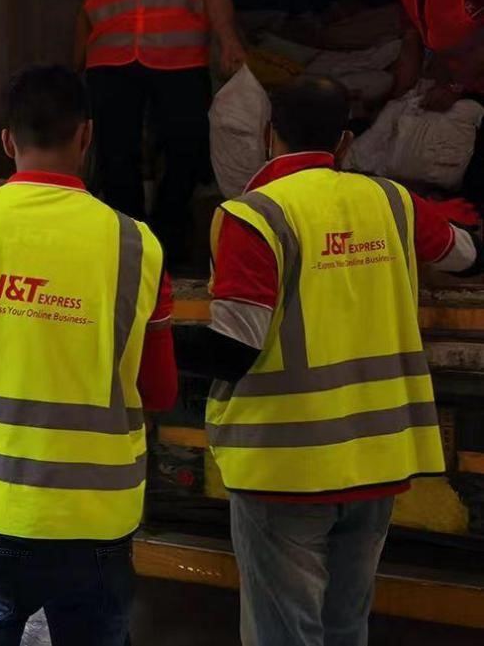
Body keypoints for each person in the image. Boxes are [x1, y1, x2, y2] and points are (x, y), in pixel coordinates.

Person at [200, 76, 482, 646]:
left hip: (285, 466)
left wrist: (139, 341)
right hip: (377, 461)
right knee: (345, 626)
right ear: (345, 142)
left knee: (285, 633)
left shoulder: (255, 216)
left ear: (268, 134)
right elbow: (467, 255)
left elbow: (234, 348)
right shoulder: (393, 202)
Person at [0, 65, 178, 646]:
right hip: (96, 525)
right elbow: (160, 390)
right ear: (86, 136)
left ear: (7, 141)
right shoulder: (137, 244)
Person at [75, 0, 245, 268]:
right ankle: (132, 245)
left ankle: (170, 236)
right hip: (110, 63)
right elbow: (87, 7)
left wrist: (229, 40)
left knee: (186, 147)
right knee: (116, 157)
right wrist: (73, 66)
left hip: (178, 60)